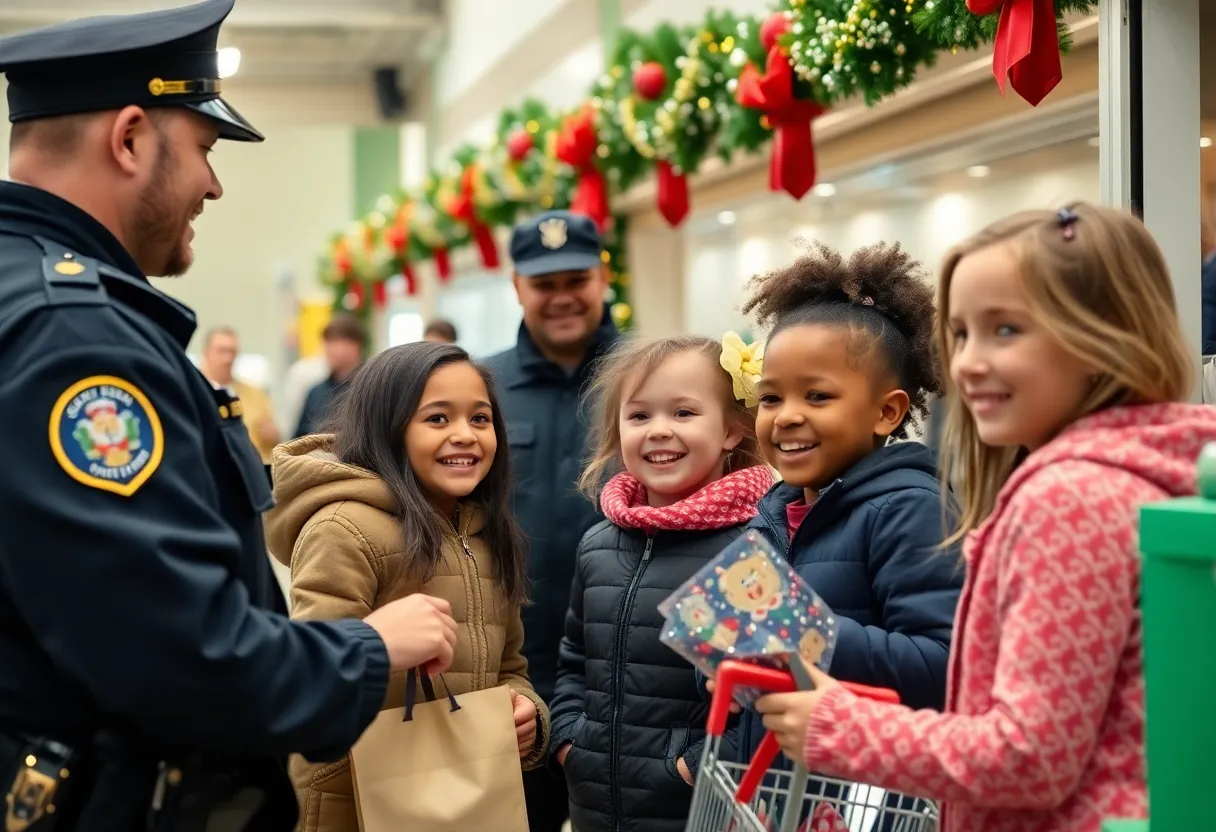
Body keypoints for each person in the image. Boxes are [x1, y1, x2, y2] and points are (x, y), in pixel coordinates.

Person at [0, 2, 459, 829]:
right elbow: (174, 657)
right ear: (131, 138)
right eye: (205, 150)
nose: (214, 184)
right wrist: (370, 648)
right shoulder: (76, 341)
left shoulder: (27, 295)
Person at [754, 204, 1216, 832]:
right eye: (963, 333)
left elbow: (1029, 758)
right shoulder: (1129, 473)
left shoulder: (1069, 499)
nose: (968, 362)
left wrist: (840, 724)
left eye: (1006, 330)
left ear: (1101, 335)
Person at [265, 342, 549, 832]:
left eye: (480, 419)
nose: (465, 435)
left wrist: (528, 713)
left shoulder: (486, 534)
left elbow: (511, 667)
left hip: (465, 802)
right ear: (388, 427)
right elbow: (306, 681)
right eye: (438, 419)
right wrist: (379, 642)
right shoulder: (345, 529)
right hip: (350, 805)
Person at [719, 241, 963, 771]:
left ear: (886, 412)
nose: (785, 416)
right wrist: (719, 653)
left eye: (817, 396)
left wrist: (800, 632)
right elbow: (739, 664)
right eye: (770, 398)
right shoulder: (768, 515)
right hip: (775, 793)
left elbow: (943, 665)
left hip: (861, 794)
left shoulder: (911, 510)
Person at [548, 335, 772, 832]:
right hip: (595, 810)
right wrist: (568, 740)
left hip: (697, 809)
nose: (659, 431)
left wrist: (697, 767)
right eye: (640, 415)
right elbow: (572, 662)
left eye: (684, 413)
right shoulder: (599, 544)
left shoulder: (751, 547)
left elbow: (769, 695)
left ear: (732, 430)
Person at [481, 209, 621, 832]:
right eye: (544, 284)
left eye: (576, 279)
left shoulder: (648, 377)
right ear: (517, 288)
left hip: (631, 670)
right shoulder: (481, 388)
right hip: (511, 675)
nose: (562, 297)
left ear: (603, 277)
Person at [199, 325, 280, 464]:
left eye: (232, 352)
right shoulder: (194, 391)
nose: (228, 358)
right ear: (206, 353)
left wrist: (274, 437)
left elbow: (273, 440)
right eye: (222, 351)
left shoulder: (256, 394)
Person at [295, 313, 366, 437]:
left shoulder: (369, 389)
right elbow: (297, 439)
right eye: (327, 342)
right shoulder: (316, 392)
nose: (329, 349)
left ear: (355, 346)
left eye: (336, 341)